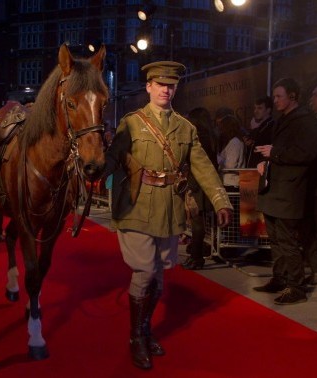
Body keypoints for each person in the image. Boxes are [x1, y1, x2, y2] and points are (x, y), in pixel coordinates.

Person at [104, 60, 233, 370]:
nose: (165, 89)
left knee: (160, 276)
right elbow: (111, 159)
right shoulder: (132, 122)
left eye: (171, 85)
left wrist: (220, 200)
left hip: (169, 209)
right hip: (136, 205)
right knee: (145, 271)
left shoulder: (185, 128)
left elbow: (201, 165)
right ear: (148, 86)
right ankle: (135, 336)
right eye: (160, 84)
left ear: (176, 88)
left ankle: (146, 331)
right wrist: (92, 170)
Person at [254, 78, 317, 304]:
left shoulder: (305, 121)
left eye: (279, 96)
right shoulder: (285, 120)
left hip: (289, 191)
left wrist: (275, 154)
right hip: (276, 189)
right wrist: (267, 162)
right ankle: (280, 278)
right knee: (275, 239)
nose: (275, 100)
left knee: (287, 241)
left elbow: (306, 153)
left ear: (292, 96)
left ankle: (297, 286)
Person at [182, 107, 216, 270]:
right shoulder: (209, 136)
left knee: (197, 222)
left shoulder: (200, 138)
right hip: (201, 183)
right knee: (198, 221)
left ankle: (197, 257)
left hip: (198, 184)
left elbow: (199, 165)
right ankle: (196, 255)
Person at [303, 83, 317, 285]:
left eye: (316, 95)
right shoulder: (313, 123)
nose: (311, 99)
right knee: (313, 229)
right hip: (312, 187)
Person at [244, 96, 275, 168]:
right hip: (254, 169)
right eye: (255, 108)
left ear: (268, 110)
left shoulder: (273, 127)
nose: (256, 111)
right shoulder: (259, 128)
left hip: (263, 170)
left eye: (260, 108)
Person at [216, 114, 245, 190]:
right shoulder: (234, 141)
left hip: (231, 182)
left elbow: (231, 165)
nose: (221, 131)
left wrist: (218, 159)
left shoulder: (235, 142)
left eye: (222, 128)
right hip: (229, 181)